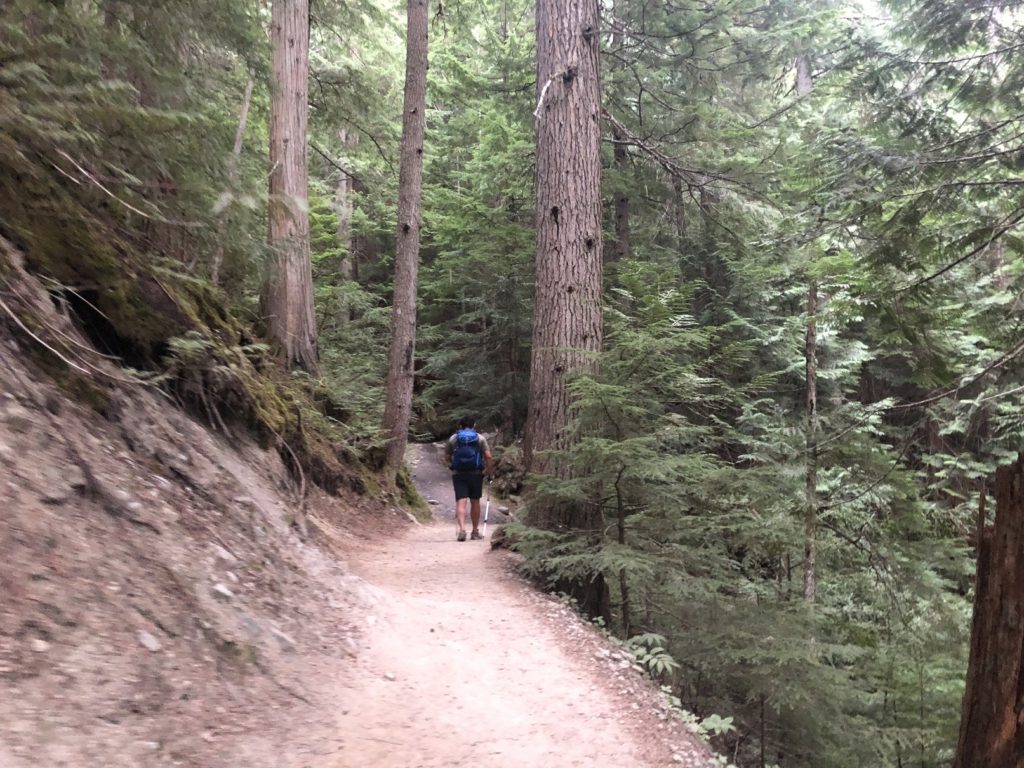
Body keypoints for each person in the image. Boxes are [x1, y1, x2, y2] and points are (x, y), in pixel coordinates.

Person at [444, 416, 493, 541]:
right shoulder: (480, 438)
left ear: (460, 425)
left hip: (459, 473)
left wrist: (452, 465)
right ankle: (475, 532)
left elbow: (447, 456)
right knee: (475, 501)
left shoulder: (454, 438)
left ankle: (462, 530)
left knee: (461, 501)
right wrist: (488, 471)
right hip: (476, 473)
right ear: (473, 425)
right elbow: (488, 456)